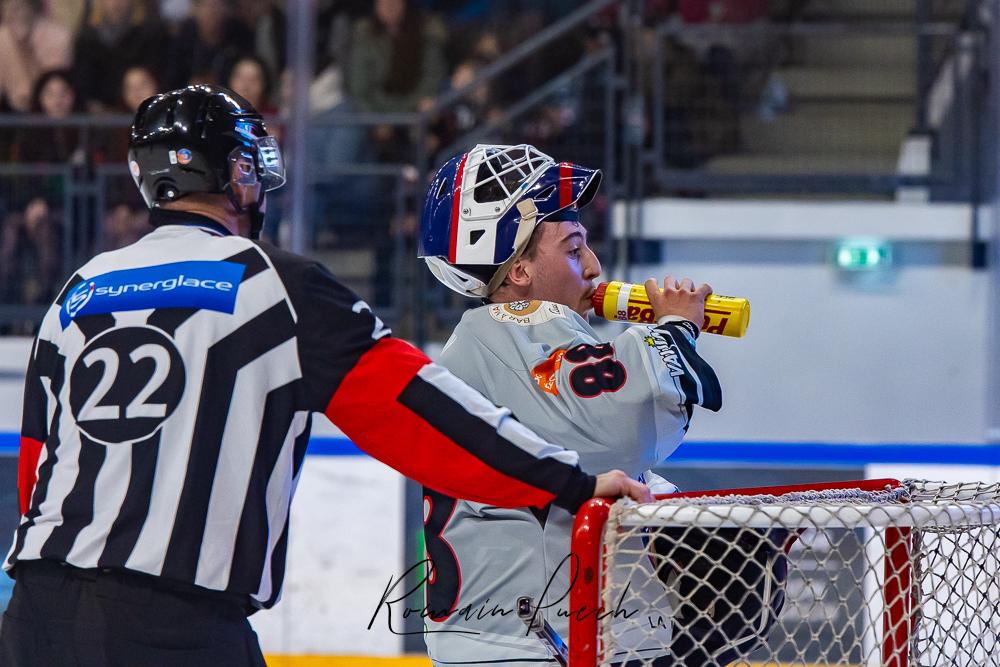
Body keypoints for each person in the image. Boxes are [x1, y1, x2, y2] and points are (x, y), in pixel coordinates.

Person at [0, 87, 650, 667]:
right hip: (173, 624)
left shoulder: (78, 290)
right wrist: (569, 481)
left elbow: (37, 469)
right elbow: (417, 409)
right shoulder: (274, 283)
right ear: (238, 171)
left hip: (33, 614)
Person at [416, 144, 780, 665]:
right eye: (573, 249)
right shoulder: (510, 329)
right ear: (518, 271)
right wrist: (676, 328)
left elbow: (585, 462)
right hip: (525, 646)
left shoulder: (496, 346)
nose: (593, 267)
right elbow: (622, 425)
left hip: (519, 638)